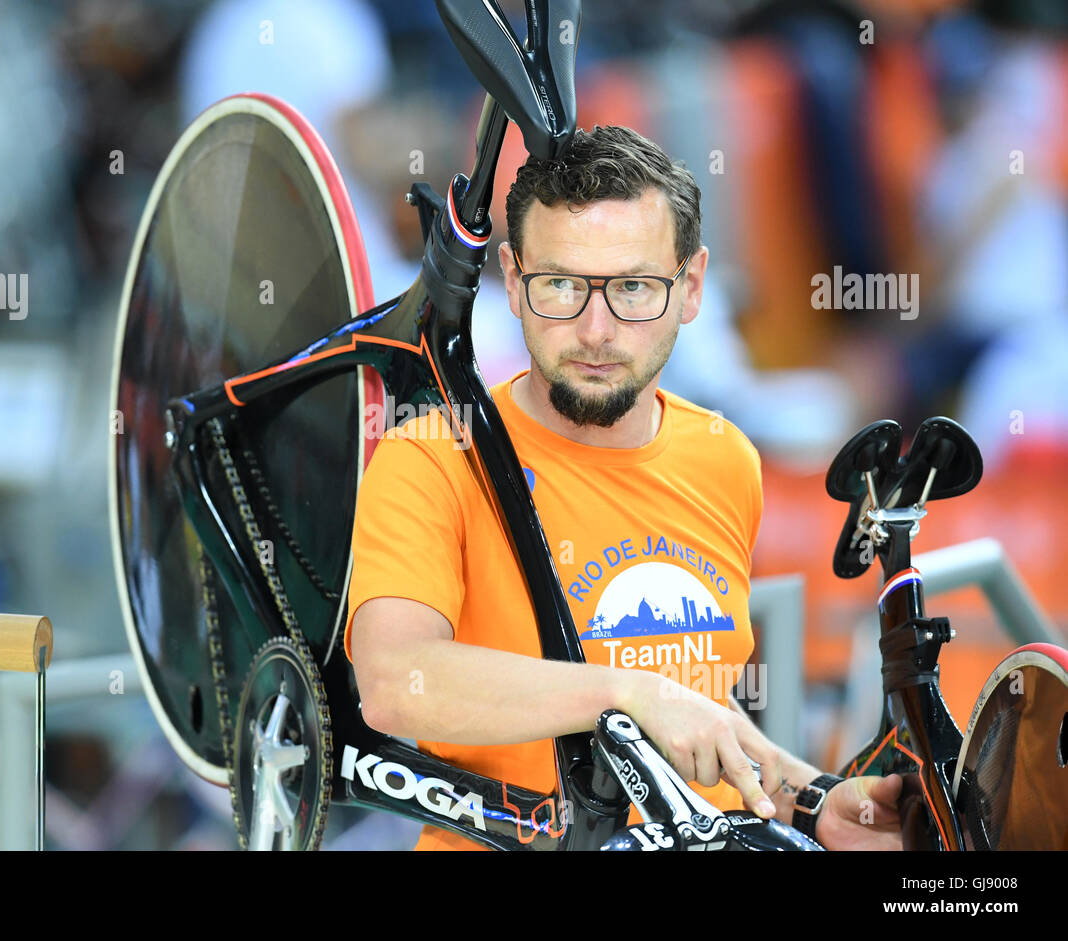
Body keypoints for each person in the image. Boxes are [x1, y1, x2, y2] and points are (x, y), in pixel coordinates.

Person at [344, 125, 903, 851]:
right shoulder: (434, 455)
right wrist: (627, 694)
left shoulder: (723, 456)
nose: (597, 330)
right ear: (513, 282)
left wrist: (814, 800)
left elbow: (699, 695)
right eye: (562, 286)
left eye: (634, 287)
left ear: (691, 287)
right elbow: (394, 681)